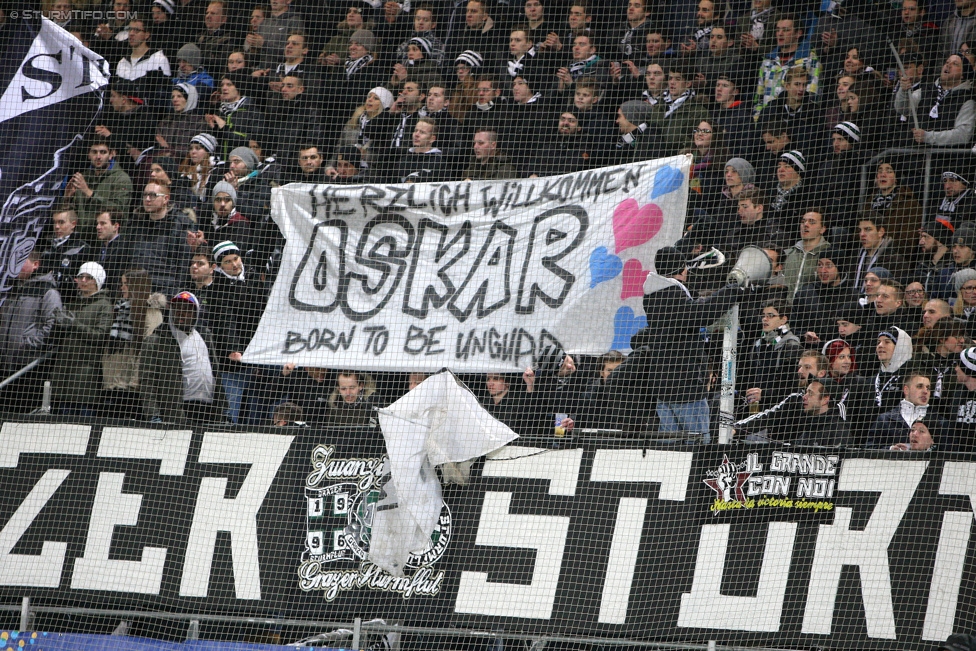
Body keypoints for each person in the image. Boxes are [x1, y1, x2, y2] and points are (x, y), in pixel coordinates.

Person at [626, 245, 744, 439]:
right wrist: (732, 290)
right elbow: (701, 314)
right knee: (697, 445)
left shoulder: (656, 296)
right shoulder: (672, 296)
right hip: (685, 388)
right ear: (682, 270)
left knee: (670, 451)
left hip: (663, 389)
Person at [140, 290, 222, 424]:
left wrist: (223, 409)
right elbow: (147, 380)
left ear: (195, 313)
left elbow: (216, 373)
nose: (181, 313)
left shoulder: (204, 336)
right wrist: (153, 414)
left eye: (186, 309)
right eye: (177, 308)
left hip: (208, 410)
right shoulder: (156, 340)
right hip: (177, 411)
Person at [208, 241, 265, 424]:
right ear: (218, 266)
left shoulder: (255, 277)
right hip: (233, 362)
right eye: (228, 262)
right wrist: (233, 348)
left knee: (255, 411)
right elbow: (225, 319)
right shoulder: (217, 288)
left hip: (259, 356)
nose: (234, 265)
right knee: (232, 408)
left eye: (236, 259)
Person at [0, 250, 62, 413]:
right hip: (6, 363)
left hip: (29, 368)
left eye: (21, 261)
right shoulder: (13, 289)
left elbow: (52, 326)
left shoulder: (48, 292)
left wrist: (27, 344)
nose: (16, 265)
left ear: (36, 264)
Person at [50, 262, 114, 417]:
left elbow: (100, 335)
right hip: (63, 374)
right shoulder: (73, 304)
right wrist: (57, 325)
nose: (84, 281)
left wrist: (74, 324)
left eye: (89, 277)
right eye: (81, 277)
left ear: (97, 281)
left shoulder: (104, 305)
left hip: (86, 376)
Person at [737, 298, 802, 417]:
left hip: (779, 413)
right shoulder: (758, 344)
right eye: (764, 315)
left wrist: (765, 394)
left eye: (771, 316)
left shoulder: (791, 346)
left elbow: (792, 388)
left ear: (783, 319)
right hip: (754, 409)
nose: (765, 319)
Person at [895, 52, 976, 147]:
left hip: (945, 159)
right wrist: (903, 91)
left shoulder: (967, 100)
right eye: (947, 62)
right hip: (915, 156)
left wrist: (928, 137)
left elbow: (963, 135)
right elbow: (902, 109)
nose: (948, 65)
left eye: (955, 64)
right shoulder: (925, 90)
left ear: (963, 74)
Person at [129, 181, 195, 295]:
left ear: (166, 199)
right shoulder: (135, 223)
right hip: (135, 286)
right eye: (145, 195)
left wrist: (173, 293)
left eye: (153, 195)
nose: (147, 199)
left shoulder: (181, 225)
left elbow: (183, 265)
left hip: (164, 290)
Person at [753, 13, 821, 120]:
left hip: (796, 124)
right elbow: (759, 98)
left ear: (798, 33)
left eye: (785, 30)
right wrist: (758, 120)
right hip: (767, 124)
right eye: (778, 30)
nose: (780, 34)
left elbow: (812, 95)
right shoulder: (767, 61)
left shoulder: (809, 60)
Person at [64, 137, 133, 230]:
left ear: (111, 154)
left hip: (106, 238)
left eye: (103, 152)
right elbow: (73, 212)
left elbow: (119, 210)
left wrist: (89, 193)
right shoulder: (82, 177)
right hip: (81, 236)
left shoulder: (121, 178)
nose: (98, 156)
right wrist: (67, 198)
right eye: (94, 152)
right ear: (89, 154)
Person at [867, 372, 947, 448]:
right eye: (919, 386)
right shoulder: (885, 420)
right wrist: (890, 450)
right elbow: (869, 449)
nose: (925, 391)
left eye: (928, 388)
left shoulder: (941, 423)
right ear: (906, 390)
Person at [37, 207, 90, 294]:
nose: (57, 227)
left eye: (61, 222)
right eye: (55, 222)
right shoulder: (46, 246)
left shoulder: (82, 248)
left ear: (73, 224)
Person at [782, 209, 831, 300]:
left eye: (812, 222)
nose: (805, 225)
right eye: (803, 222)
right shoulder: (789, 253)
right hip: (786, 309)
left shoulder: (829, 253)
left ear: (822, 229)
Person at [873, 327, 914, 419]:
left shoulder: (910, 378)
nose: (880, 345)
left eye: (887, 342)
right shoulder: (871, 381)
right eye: (878, 342)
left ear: (900, 347)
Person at [93, 210, 134, 296]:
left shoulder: (124, 248)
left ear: (115, 226)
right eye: (97, 223)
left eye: (103, 223)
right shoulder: (97, 248)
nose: (98, 227)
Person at [915, 219, 956, 299]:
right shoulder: (922, 264)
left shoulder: (951, 267)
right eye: (921, 237)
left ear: (940, 241)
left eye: (926, 237)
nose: (921, 242)